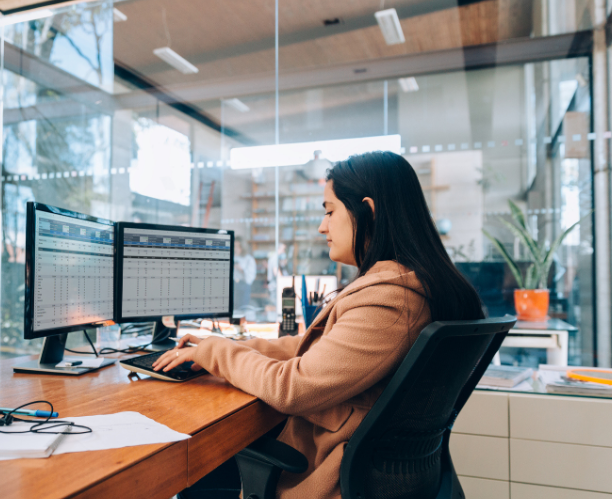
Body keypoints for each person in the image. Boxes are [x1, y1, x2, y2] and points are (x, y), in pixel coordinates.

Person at [154, 151, 484, 499]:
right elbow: (310, 351)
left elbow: (291, 388)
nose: (322, 226)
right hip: (357, 469)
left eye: (329, 211)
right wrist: (220, 348)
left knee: (189, 481)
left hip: (326, 478)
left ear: (368, 211)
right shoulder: (408, 288)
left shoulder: (391, 301)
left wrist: (218, 352)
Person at [233, 240, 256, 313]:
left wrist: (241, 269)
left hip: (244, 285)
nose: (235, 249)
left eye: (237, 246)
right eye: (234, 246)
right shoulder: (232, 257)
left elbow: (251, 275)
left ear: (242, 247)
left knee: (243, 309)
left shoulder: (248, 259)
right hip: (233, 285)